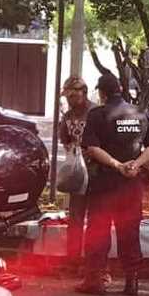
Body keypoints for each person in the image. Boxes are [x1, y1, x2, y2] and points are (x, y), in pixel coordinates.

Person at [75, 73, 149, 296]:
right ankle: (132, 281)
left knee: (98, 231)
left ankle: (95, 281)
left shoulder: (97, 115)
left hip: (104, 184)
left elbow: (92, 148)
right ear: (120, 89)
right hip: (131, 185)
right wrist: (135, 164)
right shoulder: (140, 113)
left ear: (102, 93)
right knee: (129, 232)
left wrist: (117, 165)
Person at [59, 76, 95, 265]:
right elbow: (64, 138)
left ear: (84, 92)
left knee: (96, 220)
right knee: (75, 218)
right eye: (67, 97)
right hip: (78, 174)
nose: (70, 100)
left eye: (73, 96)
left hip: (96, 172)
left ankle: (93, 263)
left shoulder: (96, 112)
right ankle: (72, 261)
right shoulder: (67, 116)